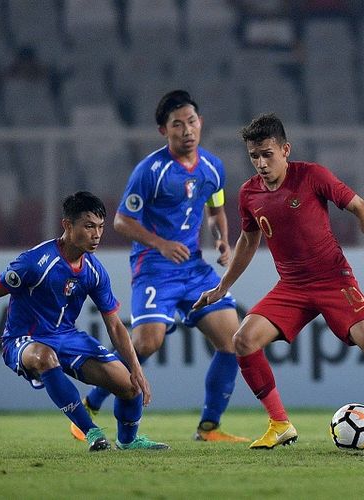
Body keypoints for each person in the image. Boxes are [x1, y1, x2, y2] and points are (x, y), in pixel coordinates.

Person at [193, 113, 364, 450]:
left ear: (285, 150)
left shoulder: (312, 176)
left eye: (267, 154)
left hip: (334, 279)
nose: (260, 163)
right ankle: (279, 423)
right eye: (254, 156)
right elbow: (248, 241)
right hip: (291, 286)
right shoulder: (249, 194)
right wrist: (222, 286)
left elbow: (359, 206)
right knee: (243, 340)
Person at [73, 90, 248, 443]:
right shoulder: (150, 171)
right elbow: (122, 221)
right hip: (154, 266)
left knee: (234, 340)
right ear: (162, 131)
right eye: (177, 124)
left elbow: (215, 209)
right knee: (147, 343)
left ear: (201, 124)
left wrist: (221, 239)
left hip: (194, 269)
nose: (187, 130)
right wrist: (161, 244)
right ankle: (93, 402)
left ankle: (209, 427)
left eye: (192, 122)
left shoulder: (212, 167)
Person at [0, 191, 168, 451]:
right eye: (89, 226)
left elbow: (114, 325)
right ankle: (91, 432)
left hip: (68, 337)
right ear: (68, 225)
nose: (97, 234)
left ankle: (128, 441)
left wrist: (136, 368)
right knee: (45, 357)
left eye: (101, 227)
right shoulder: (35, 262)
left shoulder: (94, 270)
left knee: (129, 386)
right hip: (24, 339)